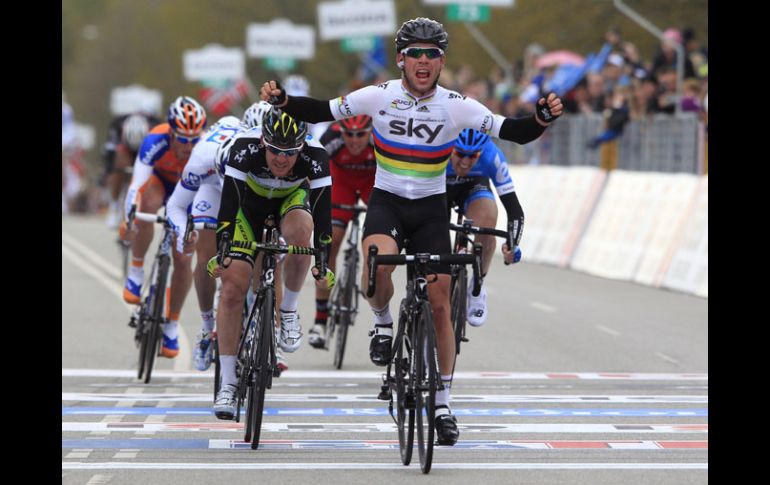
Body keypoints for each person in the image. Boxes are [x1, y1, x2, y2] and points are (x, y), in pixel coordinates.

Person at [259, 17, 562, 446]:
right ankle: (382, 325)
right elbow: (323, 109)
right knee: (375, 269)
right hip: (388, 203)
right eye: (415, 53)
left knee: (440, 302)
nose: (423, 61)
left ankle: (442, 403)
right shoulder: (378, 96)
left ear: (441, 62)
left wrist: (541, 118)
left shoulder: (458, 105)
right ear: (401, 59)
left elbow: (513, 131)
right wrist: (284, 101)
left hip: (431, 210)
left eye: (432, 54)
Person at [207, 107, 334, 420]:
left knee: (303, 230)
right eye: (275, 150)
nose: (282, 159)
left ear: (302, 146)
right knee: (233, 290)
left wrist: (322, 256)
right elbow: (228, 204)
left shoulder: (316, 155)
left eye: (290, 153)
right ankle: (228, 381)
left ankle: (288, 311)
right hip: (246, 206)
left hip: (289, 201)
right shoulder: (243, 148)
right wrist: (224, 246)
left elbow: (322, 210)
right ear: (263, 141)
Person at [120, 96, 207, 359]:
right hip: (160, 182)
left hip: (190, 192)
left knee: (183, 258)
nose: (189, 146)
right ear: (171, 133)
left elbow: (210, 193)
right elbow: (136, 185)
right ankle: (136, 272)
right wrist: (129, 217)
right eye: (183, 139)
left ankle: (171, 323)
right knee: (147, 205)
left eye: (194, 139)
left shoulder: (206, 147)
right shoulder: (154, 141)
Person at [308, 115, 376, 349]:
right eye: (349, 134)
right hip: (341, 183)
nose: (355, 140)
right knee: (331, 242)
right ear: (341, 131)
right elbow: (313, 169)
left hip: (372, 182)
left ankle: (369, 277)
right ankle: (320, 321)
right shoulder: (331, 138)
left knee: (376, 241)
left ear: (369, 131)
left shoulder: (380, 138)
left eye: (360, 134)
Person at [446, 128, 523, 326]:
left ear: (481, 152)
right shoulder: (438, 146)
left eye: (473, 156)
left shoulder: (492, 155)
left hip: (474, 186)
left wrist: (512, 244)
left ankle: (477, 287)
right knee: (432, 226)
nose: (465, 162)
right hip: (440, 185)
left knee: (487, 225)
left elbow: (514, 208)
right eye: (460, 154)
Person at [103, 112, 161, 228]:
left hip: (145, 149)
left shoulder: (155, 127)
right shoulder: (116, 126)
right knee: (119, 159)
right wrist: (113, 171)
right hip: (125, 149)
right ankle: (114, 205)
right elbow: (108, 157)